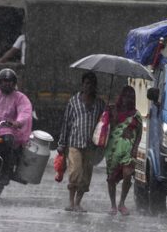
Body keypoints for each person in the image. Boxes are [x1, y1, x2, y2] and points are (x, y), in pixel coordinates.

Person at [57, 71, 106, 212]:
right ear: (82, 85)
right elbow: (66, 122)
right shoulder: (73, 101)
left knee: (86, 176)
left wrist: (109, 112)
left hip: (91, 145)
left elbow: (104, 124)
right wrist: (62, 143)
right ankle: (71, 202)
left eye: (91, 84)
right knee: (75, 172)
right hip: (75, 143)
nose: (88, 87)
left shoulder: (99, 104)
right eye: (86, 84)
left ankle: (78, 202)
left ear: (95, 86)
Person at [103, 85, 142, 216]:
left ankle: (122, 203)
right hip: (113, 149)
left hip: (128, 151)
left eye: (130, 97)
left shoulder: (136, 115)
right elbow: (109, 126)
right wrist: (109, 112)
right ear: (121, 97)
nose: (127, 99)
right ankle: (113, 204)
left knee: (128, 174)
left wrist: (135, 146)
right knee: (111, 178)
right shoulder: (114, 110)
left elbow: (139, 132)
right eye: (125, 96)